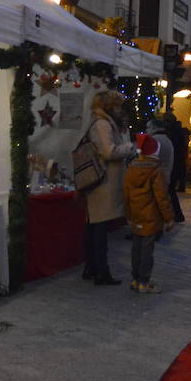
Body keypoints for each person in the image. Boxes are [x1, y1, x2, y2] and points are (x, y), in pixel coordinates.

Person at [83, 91, 137, 287]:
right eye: (116, 106)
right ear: (108, 106)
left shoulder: (100, 121)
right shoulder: (102, 124)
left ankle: (92, 267)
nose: (119, 109)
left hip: (102, 182)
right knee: (99, 227)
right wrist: (130, 147)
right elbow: (108, 151)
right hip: (103, 182)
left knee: (95, 226)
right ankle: (101, 271)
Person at [124, 134, 175, 293]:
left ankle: (135, 279)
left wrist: (129, 215)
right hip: (150, 217)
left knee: (136, 248)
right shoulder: (155, 170)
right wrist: (169, 218)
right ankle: (144, 282)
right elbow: (161, 196)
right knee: (147, 250)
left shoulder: (132, 168)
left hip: (136, 215)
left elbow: (126, 193)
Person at [146, 117, 183, 223]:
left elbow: (150, 159)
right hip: (165, 175)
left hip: (157, 177)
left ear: (154, 128)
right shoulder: (166, 139)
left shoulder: (155, 140)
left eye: (148, 128)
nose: (146, 130)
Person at [164, 113, 190, 194]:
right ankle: (180, 185)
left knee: (175, 170)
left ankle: (174, 186)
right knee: (180, 170)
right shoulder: (179, 131)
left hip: (176, 153)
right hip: (180, 153)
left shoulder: (173, 131)